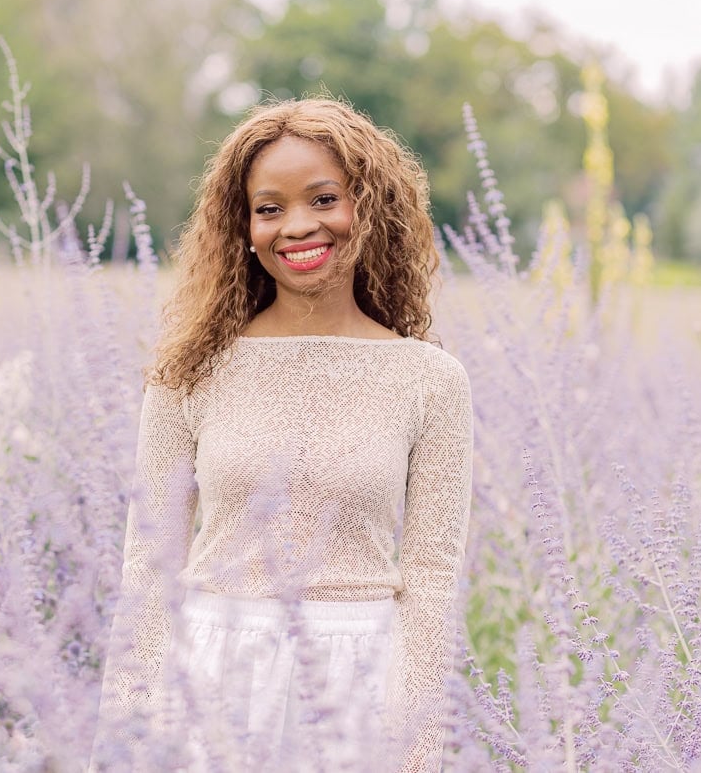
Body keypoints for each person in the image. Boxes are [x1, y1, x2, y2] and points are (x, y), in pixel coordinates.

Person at [93, 97, 473, 772]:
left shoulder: (430, 381)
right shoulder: (188, 373)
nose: (297, 226)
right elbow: (149, 566)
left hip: (359, 686)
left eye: (324, 198)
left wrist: (420, 742)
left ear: (370, 206)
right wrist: (122, 729)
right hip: (211, 676)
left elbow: (432, 580)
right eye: (269, 208)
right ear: (242, 227)